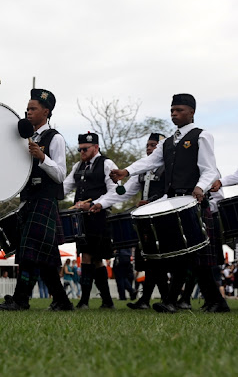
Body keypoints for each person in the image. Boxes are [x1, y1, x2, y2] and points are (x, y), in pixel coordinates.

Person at [111, 94, 228, 313]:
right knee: (188, 255)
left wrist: (200, 187)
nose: (174, 113)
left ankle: (175, 301)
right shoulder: (167, 143)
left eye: (179, 109)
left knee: (192, 255)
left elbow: (210, 169)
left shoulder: (201, 136)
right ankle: (214, 302)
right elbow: (149, 162)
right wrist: (126, 171)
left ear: (192, 112)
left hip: (194, 201)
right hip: (173, 201)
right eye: (172, 109)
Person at [0, 89, 74, 311]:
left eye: (33, 108)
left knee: (28, 252)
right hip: (28, 200)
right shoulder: (26, 138)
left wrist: (42, 157)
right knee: (42, 256)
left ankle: (21, 300)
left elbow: (60, 175)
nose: (28, 112)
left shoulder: (54, 138)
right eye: (27, 108)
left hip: (45, 200)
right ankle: (62, 301)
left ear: (46, 112)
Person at [96, 133, 170, 310]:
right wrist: (100, 203)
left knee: (158, 260)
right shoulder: (142, 170)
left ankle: (167, 299)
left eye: (154, 145)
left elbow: (173, 194)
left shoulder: (169, 167)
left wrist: (153, 203)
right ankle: (147, 299)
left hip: (164, 218)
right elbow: (125, 192)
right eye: (148, 145)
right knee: (150, 259)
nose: (149, 148)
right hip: (145, 219)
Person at [61, 132, 117, 309]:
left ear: (96, 148)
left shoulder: (107, 164)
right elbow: (64, 187)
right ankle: (105, 301)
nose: (82, 152)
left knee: (91, 257)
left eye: (85, 149)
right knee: (93, 259)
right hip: (82, 219)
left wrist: (94, 203)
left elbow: (115, 190)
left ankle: (86, 300)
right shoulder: (78, 166)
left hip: (99, 217)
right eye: (80, 149)